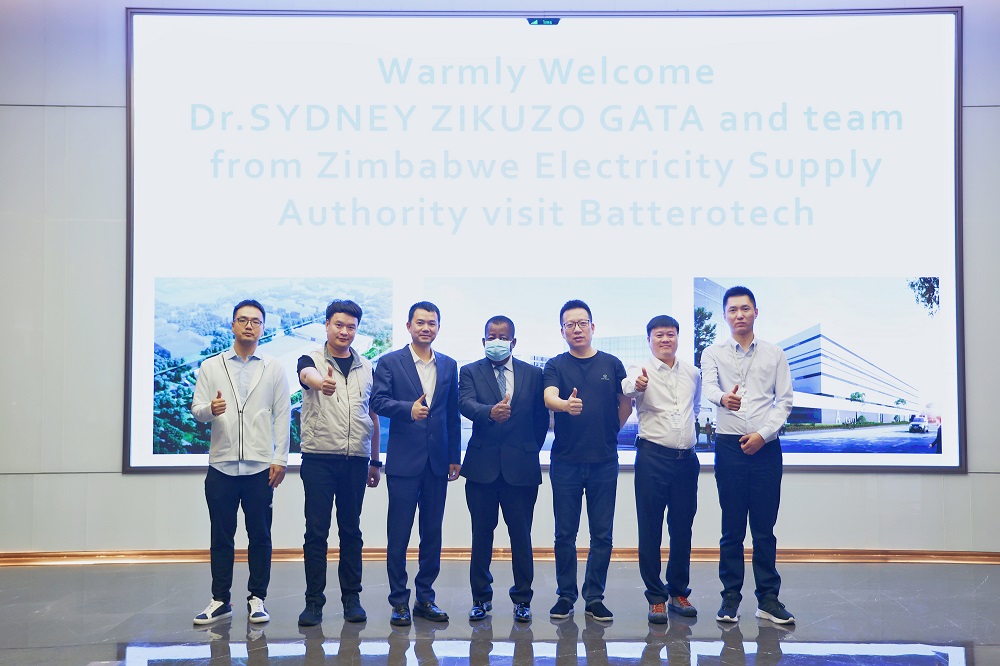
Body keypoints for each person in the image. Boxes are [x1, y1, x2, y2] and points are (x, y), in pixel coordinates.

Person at [190, 299, 290, 625]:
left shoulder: (273, 367)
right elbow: (197, 410)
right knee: (221, 536)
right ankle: (220, 600)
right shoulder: (211, 366)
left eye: (255, 321)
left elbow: (282, 414)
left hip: (260, 467)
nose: (249, 325)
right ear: (233, 324)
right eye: (243, 320)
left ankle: (257, 599)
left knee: (260, 535)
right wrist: (211, 410)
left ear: (263, 327)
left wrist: (280, 458)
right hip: (221, 465)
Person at [701, 286, 795, 624]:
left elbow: (784, 401)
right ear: (725, 315)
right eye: (733, 310)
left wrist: (762, 435)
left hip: (765, 449)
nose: (739, 314)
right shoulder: (712, 353)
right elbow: (708, 387)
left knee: (764, 529)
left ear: (756, 312)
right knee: (732, 528)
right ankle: (730, 599)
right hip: (729, 448)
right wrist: (723, 398)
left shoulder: (775, 354)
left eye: (745, 308)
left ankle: (768, 599)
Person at [371, 301, 461, 626]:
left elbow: (451, 414)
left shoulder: (449, 364)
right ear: (408, 326)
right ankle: (399, 601)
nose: (426, 328)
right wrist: (408, 409)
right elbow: (378, 401)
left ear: (438, 327)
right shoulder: (390, 362)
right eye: (420, 322)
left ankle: (425, 597)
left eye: (431, 323)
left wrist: (454, 457)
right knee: (398, 535)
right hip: (404, 463)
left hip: (437, 463)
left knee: (432, 533)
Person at [543, 300, 632, 622]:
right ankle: (566, 596)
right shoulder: (555, 364)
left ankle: (594, 597)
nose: (577, 329)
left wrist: (610, 432)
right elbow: (549, 397)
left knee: (602, 535)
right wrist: (565, 406)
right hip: (565, 462)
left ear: (592, 327)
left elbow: (626, 404)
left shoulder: (611, 363)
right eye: (570, 325)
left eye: (582, 323)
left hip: (604, 461)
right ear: (562, 331)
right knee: (564, 534)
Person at [295, 300, 382, 627]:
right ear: (327, 325)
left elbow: (372, 415)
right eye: (339, 325)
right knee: (316, 532)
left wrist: (375, 460)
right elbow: (306, 376)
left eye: (351, 327)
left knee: (351, 531)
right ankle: (313, 602)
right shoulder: (311, 359)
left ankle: (351, 598)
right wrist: (321, 383)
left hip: (356, 460)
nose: (344, 331)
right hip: (319, 458)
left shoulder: (367, 367)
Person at [459, 315, 549, 623]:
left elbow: (540, 421)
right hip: (481, 469)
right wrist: (490, 412)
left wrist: (527, 449)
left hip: (521, 469)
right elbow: (465, 404)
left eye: (503, 337)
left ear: (513, 341)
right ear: (483, 340)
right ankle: (480, 599)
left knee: (521, 537)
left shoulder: (533, 374)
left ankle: (522, 599)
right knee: (481, 536)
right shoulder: (469, 371)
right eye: (491, 337)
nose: (497, 341)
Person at [622, 315, 702, 624]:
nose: (665, 339)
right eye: (659, 335)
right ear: (649, 340)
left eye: (670, 334)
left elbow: (694, 408)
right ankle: (655, 597)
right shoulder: (639, 369)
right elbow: (629, 386)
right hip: (652, 460)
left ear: (678, 337)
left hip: (687, 462)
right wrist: (637, 385)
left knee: (682, 527)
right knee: (650, 527)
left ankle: (678, 592)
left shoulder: (692, 373)